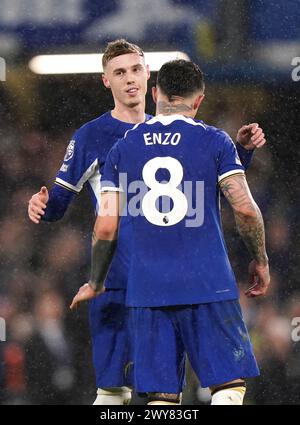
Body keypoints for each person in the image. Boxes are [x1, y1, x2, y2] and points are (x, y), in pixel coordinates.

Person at [28, 39, 265, 405]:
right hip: (123, 283)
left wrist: (241, 153)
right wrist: (42, 205)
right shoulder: (92, 137)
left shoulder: (143, 140)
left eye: (136, 70)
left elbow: (201, 184)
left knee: (160, 394)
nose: (129, 80)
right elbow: (59, 204)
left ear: (150, 79)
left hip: (148, 283)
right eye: (119, 73)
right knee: (113, 392)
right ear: (106, 81)